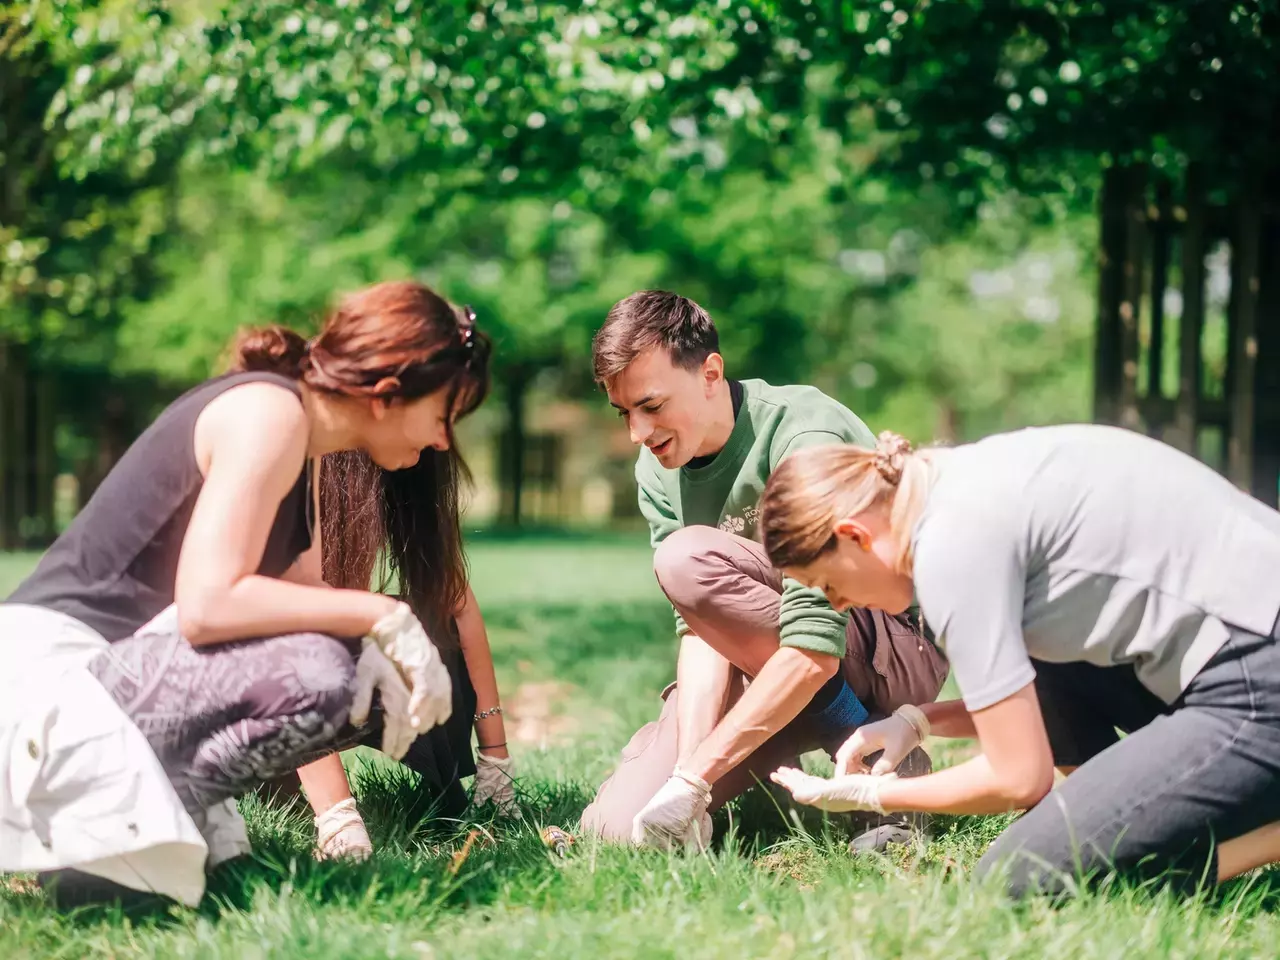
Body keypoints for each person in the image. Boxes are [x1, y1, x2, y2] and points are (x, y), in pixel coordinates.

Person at [0, 279, 490, 906]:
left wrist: (377, 652)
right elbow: (209, 605)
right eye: (445, 415)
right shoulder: (268, 412)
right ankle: (103, 856)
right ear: (387, 395)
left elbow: (299, 608)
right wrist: (382, 614)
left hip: (111, 675)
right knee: (321, 674)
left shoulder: (301, 437)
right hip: (53, 685)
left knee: (345, 672)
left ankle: (159, 845)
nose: (444, 441)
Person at [759, 424, 1280, 898]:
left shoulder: (950, 547)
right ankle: (1127, 818)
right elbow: (1021, 698)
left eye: (829, 585)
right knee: (1045, 659)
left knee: (1023, 875)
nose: (842, 605)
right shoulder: (956, 478)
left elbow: (1018, 777)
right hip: (1238, 638)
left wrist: (874, 794)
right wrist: (917, 721)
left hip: (1257, 671)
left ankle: (1208, 845)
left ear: (854, 535)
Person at [578, 291, 949, 853]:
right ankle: (775, 779)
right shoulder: (657, 468)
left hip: (887, 642)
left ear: (710, 372)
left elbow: (814, 643)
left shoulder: (803, 433)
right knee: (615, 830)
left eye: (651, 406)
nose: (638, 432)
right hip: (767, 654)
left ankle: (877, 759)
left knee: (685, 558)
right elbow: (701, 626)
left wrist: (697, 776)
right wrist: (686, 779)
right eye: (623, 412)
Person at [287, 449, 518, 861]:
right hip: (231, 682)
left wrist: (496, 764)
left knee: (428, 624)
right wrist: (339, 819)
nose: (447, 435)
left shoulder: (411, 456)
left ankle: (445, 796)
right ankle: (314, 797)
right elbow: (287, 634)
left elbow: (455, 599)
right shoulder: (301, 458)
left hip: (309, 675)